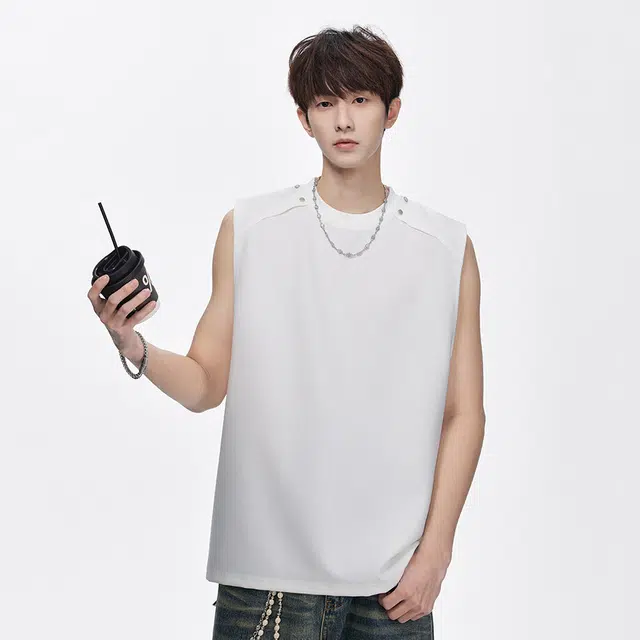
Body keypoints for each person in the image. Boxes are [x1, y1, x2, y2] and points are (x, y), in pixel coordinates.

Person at [87, 24, 485, 640]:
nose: (344, 119)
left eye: (360, 100)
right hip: (266, 581)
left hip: (394, 585)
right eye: (325, 103)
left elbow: (465, 413)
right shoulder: (250, 228)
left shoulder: (445, 246)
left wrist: (436, 554)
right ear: (304, 118)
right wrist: (130, 343)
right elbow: (205, 383)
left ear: (392, 111)